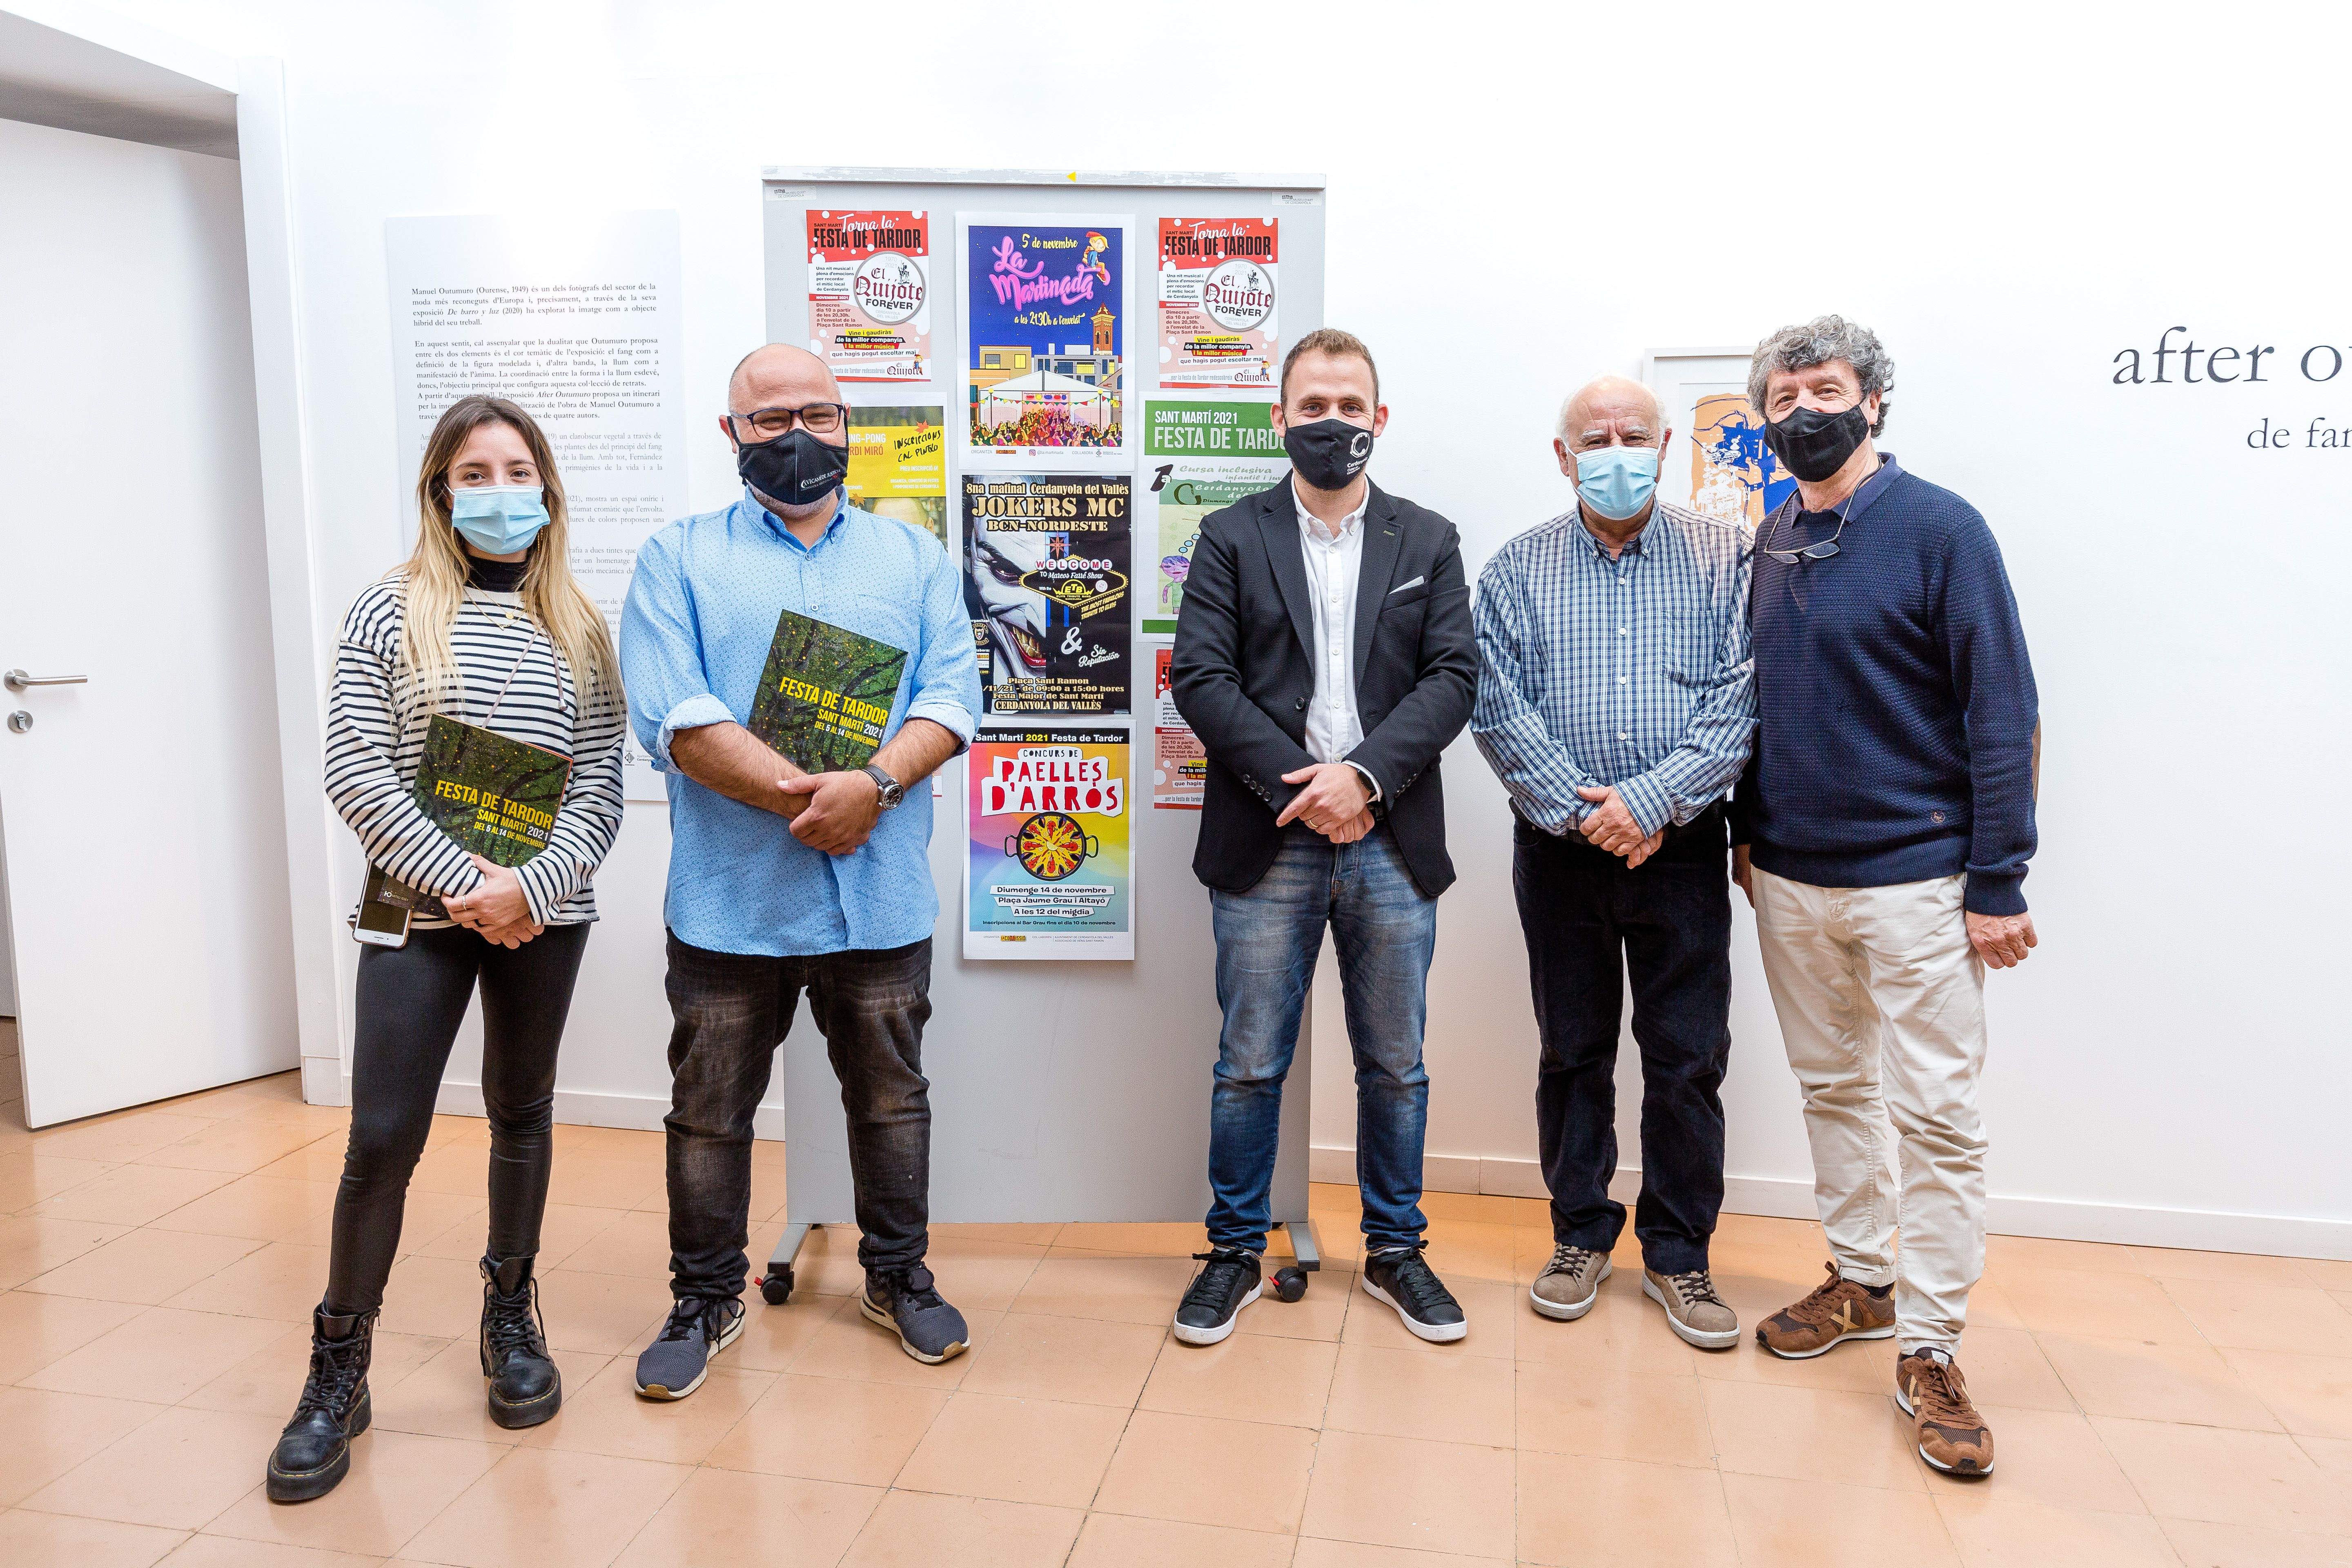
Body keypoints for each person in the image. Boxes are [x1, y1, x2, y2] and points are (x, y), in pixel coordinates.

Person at [271, 395, 627, 1502]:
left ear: (549, 488)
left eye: (517, 469)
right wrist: (471, 887)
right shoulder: (390, 608)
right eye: (474, 471)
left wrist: (533, 885)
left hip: (543, 916)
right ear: (439, 489)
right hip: (422, 915)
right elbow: (354, 769)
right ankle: (340, 1366)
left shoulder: (578, 623)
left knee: (523, 1113)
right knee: (381, 1136)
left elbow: (605, 780)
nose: (499, 489)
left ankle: (510, 1318)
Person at [620, 344, 981, 1397]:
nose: (797, 436)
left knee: (891, 1103)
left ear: (848, 421)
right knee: (709, 1113)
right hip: (731, 906)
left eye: (817, 413)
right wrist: (812, 799)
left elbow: (953, 701)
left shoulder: (914, 560)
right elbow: (676, 717)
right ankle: (705, 1296)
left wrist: (872, 784)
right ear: (730, 434)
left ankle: (898, 1277)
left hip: (878, 896)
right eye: (771, 418)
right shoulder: (676, 557)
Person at [1731, 316, 2038, 1479]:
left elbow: (2001, 708)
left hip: (1919, 881)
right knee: (1831, 1088)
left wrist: (1999, 877)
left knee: (1940, 1116)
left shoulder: (1941, 530)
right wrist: (1749, 837)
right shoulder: (1769, 537)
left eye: (1829, 387)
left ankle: (1934, 1345)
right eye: (1785, 394)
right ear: (1762, 418)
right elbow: (1759, 707)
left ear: (1874, 403)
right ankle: (1862, 1279)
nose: (1806, 408)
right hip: (1790, 879)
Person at [1168, 327, 1478, 1345]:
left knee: (1396, 1062)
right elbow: (1202, 680)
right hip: (1270, 834)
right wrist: (1309, 788)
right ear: (1281, 420)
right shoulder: (1229, 535)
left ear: (1378, 420)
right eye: (1313, 407)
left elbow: (1453, 681)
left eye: (1351, 408)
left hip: (1390, 837)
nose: (1332, 423)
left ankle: (1396, 1252)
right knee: (1249, 1060)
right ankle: (1233, 1253)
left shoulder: (1426, 539)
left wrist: (1367, 781)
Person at [1471, 375, 1755, 1349]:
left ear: (1667, 447)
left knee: (1687, 1058)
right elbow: (1498, 708)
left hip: (1682, 849)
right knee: (1573, 1053)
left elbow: (1740, 701)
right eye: (1595, 437)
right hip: (1560, 851)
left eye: (1634, 433)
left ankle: (1680, 1256)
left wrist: (1651, 804)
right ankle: (1579, 1235)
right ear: (1563, 457)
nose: (1616, 447)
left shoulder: (1727, 559)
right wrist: (1587, 814)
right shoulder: (1514, 569)